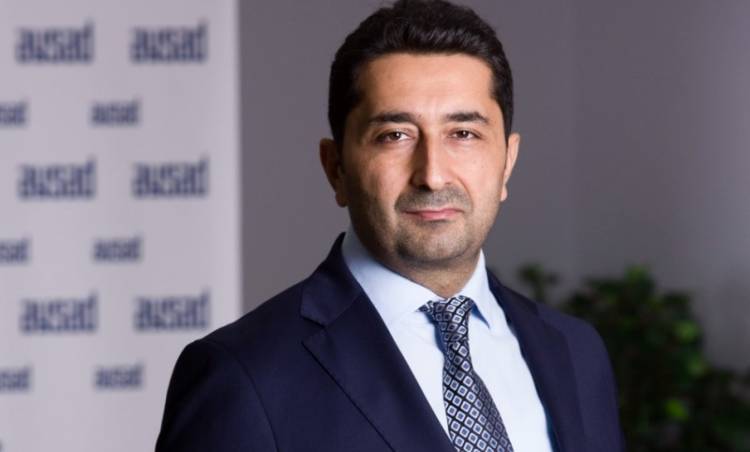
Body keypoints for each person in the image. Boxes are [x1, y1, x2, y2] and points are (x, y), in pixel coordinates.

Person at [156, 1, 624, 451]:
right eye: (394, 135)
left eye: (464, 134)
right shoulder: (246, 375)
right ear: (335, 168)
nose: (433, 174)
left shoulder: (576, 352)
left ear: (507, 162)